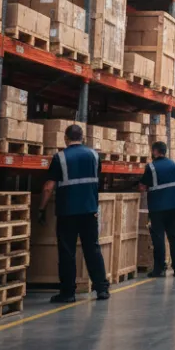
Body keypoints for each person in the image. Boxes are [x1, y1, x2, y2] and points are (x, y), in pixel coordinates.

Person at [38, 124, 110, 301]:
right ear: (83, 137)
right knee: (92, 248)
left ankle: (68, 292)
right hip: (90, 210)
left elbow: (48, 187)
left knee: (67, 252)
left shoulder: (60, 157)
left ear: (66, 138)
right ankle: (101, 289)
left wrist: (41, 208)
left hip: (67, 212)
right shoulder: (94, 156)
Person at [139, 141, 175, 278]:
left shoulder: (151, 167)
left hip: (157, 208)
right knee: (174, 237)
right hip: (173, 207)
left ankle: (159, 269)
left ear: (155, 151)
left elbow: (143, 187)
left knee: (158, 238)